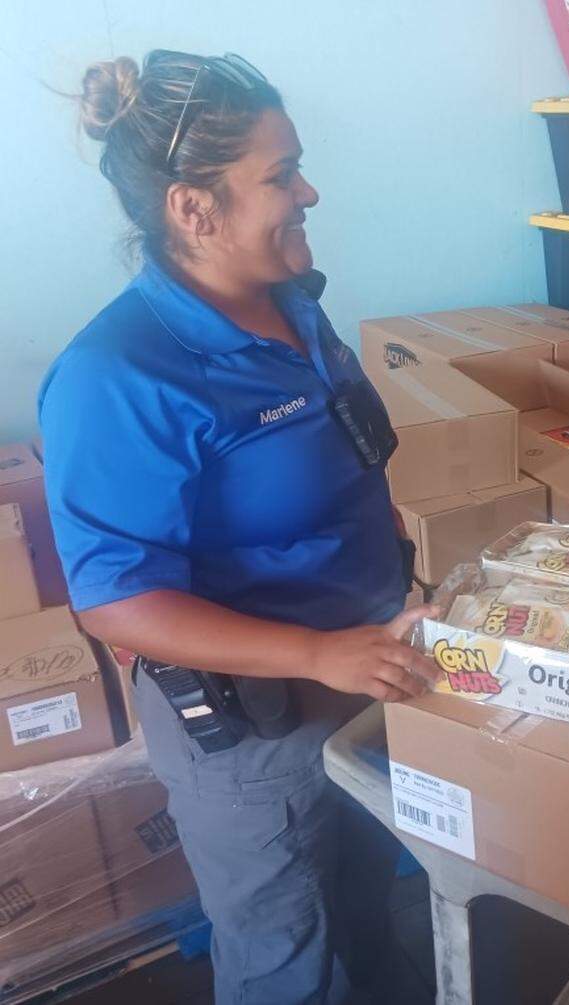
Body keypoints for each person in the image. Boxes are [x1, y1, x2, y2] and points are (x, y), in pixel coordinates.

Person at [39, 51, 440, 1004]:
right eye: (279, 174)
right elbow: (114, 599)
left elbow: (347, 454)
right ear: (193, 207)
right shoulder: (118, 375)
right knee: (286, 957)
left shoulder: (294, 300)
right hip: (257, 737)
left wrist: (397, 584)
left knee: (373, 915)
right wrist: (314, 650)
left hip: (365, 671)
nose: (309, 189)